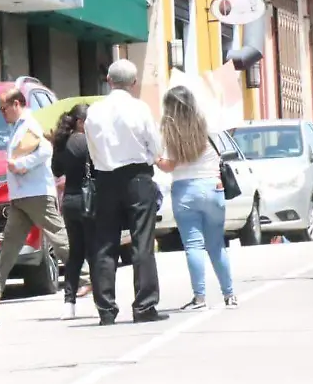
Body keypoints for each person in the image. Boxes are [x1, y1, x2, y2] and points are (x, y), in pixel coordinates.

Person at [85, 59, 167, 325]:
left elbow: (92, 148)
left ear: (108, 80)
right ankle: (144, 306)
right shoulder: (139, 108)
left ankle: (106, 309)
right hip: (137, 177)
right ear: (133, 83)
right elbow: (155, 147)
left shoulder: (95, 111)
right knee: (142, 240)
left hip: (105, 178)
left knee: (105, 244)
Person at [0, 88, 70, 303]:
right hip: (22, 194)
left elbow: (45, 150)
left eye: (4, 108)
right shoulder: (18, 126)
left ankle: (87, 274)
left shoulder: (30, 123)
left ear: (16, 104)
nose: (2, 113)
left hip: (36, 192)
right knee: (10, 244)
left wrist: (22, 165)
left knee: (57, 236)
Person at [158, 85, 237, 312]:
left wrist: (155, 159)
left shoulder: (169, 132)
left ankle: (200, 298)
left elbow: (169, 165)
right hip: (213, 187)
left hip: (185, 191)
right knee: (216, 245)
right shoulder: (208, 126)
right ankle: (229, 295)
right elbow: (222, 150)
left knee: (193, 245)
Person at [51, 104, 96, 320]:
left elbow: (56, 170)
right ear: (80, 121)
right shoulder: (88, 142)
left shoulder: (61, 143)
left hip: (69, 201)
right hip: (89, 201)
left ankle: (69, 303)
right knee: (96, 251)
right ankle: (103, 301)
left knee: (75, 255)